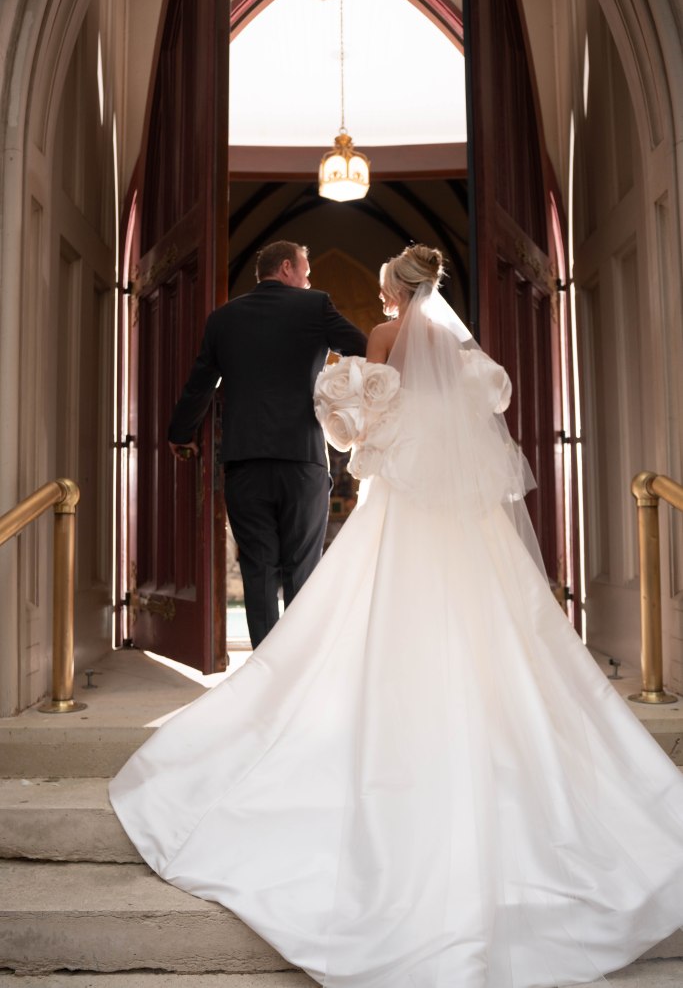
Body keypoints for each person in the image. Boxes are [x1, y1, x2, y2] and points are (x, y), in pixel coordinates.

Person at [112, 245, 683, 988]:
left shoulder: (337, 332)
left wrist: (321, 424)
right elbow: (486, 402)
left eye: (383, 286)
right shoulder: (454, 337)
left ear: (394, 288)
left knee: (305, 590)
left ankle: (288, 682)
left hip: (344, 484)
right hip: (459, 508)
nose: (374, 296)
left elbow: (356, 423)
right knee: (486, 622)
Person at [168, 240, 367, 647]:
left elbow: (200, 384)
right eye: (306, 272)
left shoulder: (223, 319)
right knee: (302, 567)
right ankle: (297, 669)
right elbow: (364, 348)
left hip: (245, 461)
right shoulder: (314, 307)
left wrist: (180, 433)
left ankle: (264, 671)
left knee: (258, 567)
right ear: (288, 268)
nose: (310, 280)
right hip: (303, 460)